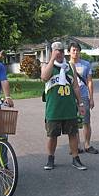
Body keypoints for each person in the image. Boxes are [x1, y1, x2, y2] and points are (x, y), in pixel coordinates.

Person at [41, 41, 87, 170]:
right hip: (53, 109)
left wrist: (80, 103)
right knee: (52, 135)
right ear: (51, 52)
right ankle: (50, 158)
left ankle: (75, 158)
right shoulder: (46, 65)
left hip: (69, 108)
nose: (59, 53)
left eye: (61, 51)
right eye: (56, 51)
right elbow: (44, 77)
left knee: (73, 134)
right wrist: (52, 60)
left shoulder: (70, 66)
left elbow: (76, 87)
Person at [68, 42, 99, 154]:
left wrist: (91, 98)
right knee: (73, 122)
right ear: (69, 52)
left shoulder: (86, 64)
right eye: (73, 50)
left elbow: (90, 81)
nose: (75, 52)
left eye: (77, 50)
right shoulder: (66, 66)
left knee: (86, 121)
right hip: (70, 98)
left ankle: (87, 144)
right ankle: (76, 146)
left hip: (84, 96)